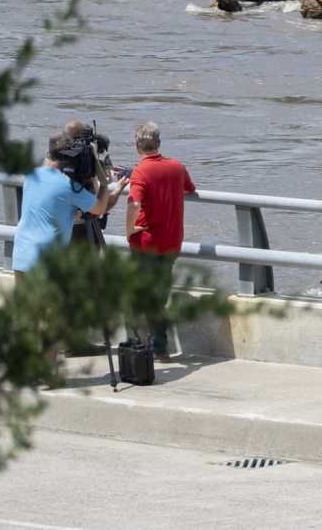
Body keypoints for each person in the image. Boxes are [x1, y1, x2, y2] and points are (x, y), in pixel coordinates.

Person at [125, 122, 196, 359]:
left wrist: (128, 230)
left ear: (137, 145)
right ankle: (157, 344)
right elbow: (190, 188)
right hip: (171, 241)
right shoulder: (177, 167)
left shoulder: (140, 172)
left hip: (146, 242)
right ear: (159, 143)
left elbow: (134, 203)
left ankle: (150, 344)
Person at [12, 127, 123, 275]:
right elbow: (99, 209)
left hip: (21, 255)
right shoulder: (70, 187)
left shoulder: (32, 175)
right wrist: (103, 182)